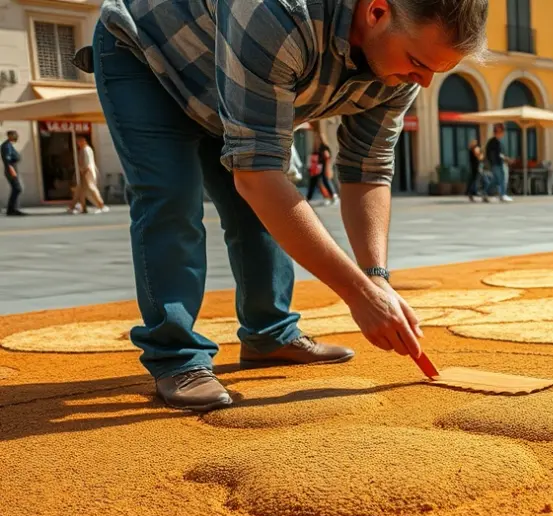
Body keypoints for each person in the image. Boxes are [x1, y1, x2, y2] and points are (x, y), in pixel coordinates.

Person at [90, 0, 487, 411]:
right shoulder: (278, 11)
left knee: (262, 213)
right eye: (417, 62)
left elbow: (368, 169)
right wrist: (358, 295)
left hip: (232, 75)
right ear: (377, 12)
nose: (421, 82)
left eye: (436, 73)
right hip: (152, 57)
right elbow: (258, 177)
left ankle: (270, 334)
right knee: (172, 201)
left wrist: (376, 278)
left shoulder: (403, 69)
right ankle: (176, 357)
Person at [69, 136, 109, 214]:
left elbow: (87, 163)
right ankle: (79, 207)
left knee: (90, 188)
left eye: (79, 141)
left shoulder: (86, 150)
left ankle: (101, 205)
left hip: (87, 172)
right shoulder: (84, 149)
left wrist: (84, 173)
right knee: (80, 190)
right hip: (85, 172)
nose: (78, 143)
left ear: (84, 140)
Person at [305, 131, 339, 206]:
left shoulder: (324, 148)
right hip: (316, 168)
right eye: (316, 138)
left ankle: (334, 196)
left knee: (325, 181)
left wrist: (327, 168)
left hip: (323, 168)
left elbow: (327, 157)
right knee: (313, 182)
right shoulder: (317, 147)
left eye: (318, 138)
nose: (317, 140)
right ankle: (308, 198)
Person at [484, 124, 512, 203]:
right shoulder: (493, 142)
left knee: (495, 180)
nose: (503, 134)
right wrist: (506, 159)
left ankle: (485, 193)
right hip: (496, 164)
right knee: (501, 178)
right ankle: (502, 195)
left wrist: (505, 158)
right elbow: (497, 154)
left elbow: (499, 154)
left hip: (496, 163)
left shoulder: (496, 142)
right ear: (498, 132)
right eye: (502, 132)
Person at [1, 130, 24, 216]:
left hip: (12, 169)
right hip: (11, 169)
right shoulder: (6, 146)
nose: (16, 136)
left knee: (16, 189)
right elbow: (7, 160)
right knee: (17, 189)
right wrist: (12, 170)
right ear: (10, 135)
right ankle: (11, 210)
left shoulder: (9, 145)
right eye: (15, 135)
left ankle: (13, 209)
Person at [466, 138, 483, 202]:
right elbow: (480, 157)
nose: (476, 144)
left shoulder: (471, 150)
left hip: (474, 167)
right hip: (476, 167)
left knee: (474, 180)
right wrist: (481, 155)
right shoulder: (474, 149)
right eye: (475, 143)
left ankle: (471, 193)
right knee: (475, 180)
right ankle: (473, 193)